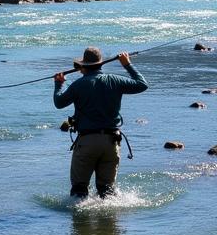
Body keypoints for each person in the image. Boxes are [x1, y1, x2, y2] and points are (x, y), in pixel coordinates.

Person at [53, 47, 148, 200]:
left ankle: (80, 223)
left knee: (79, 191)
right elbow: (142, 84)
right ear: (101, 64)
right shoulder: (115, 80)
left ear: (83, 66)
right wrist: (127, 64)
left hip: (87, 142)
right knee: (107, 192)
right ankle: (109, 222)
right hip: (111, 142)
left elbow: (59, 102)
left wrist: (58, 84)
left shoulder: (78, 85)